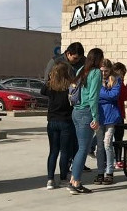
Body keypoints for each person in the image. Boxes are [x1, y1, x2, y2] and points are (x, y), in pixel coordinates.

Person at [68, 47, 103, 195]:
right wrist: (96, 117)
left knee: (80, 148)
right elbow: (93, 97)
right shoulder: (95, 73)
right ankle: (75, 182)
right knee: (83, 148)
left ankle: (73, 181)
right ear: (98, 59)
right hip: (86, 112)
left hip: (76, 111)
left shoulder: (82, 70)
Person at [41, 62, 75, 190]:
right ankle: (62, 178)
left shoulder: (50, 86)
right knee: (64, 151)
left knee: (53, 151)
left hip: (52, 121)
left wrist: (49, 79)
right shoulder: (69, 87)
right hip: (65, 121)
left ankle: (50, 179)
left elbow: (42, 90)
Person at [95, 59, 121, 185]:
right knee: (99, 146)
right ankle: (100, 171)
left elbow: (114, 96)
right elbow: (93, 95)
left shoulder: (116, 80)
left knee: (107, 143)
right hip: (99, 115)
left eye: (106, 71)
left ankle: (109, 171)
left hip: (111, 115)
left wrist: (101, 93)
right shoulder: (96, 80)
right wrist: (105, 92)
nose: (104, 73)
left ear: (110, 70)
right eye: (102, 71)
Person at [112, 62, 127, 169]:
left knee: (111, 138)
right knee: (118, 138)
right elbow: (124, 96)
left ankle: (114, 160)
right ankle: (118, 160)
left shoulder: (110, 80)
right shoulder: (118, 81)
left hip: (113, 113)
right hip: (118, 113)